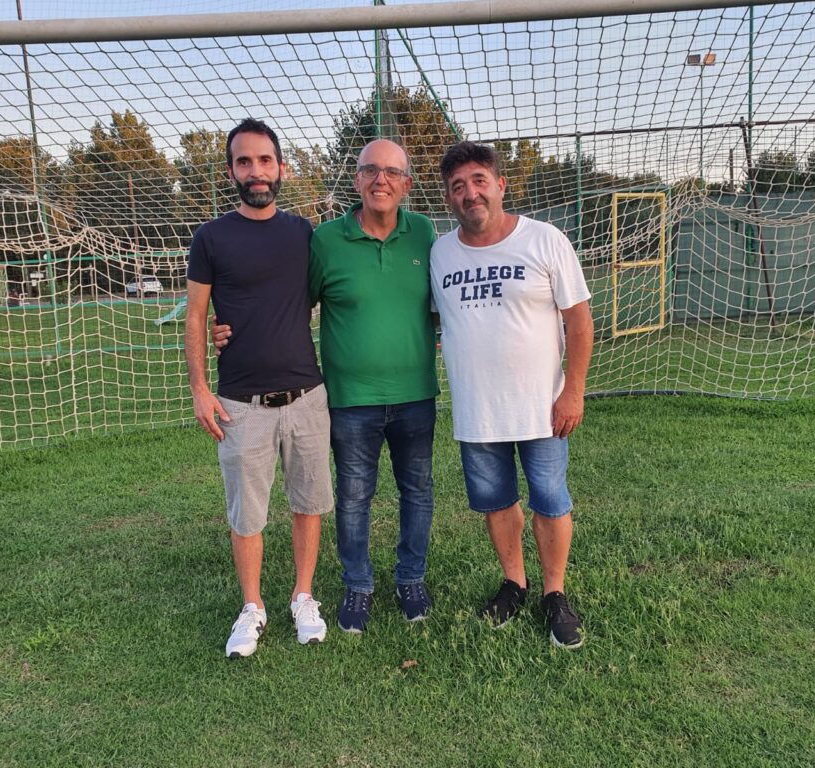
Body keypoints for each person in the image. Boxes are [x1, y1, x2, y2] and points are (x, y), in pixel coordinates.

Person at [214, 139, 438, 634]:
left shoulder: (425, 233)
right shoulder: (326, 240)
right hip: (349, 399)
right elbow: (284, 300)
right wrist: (229, 326)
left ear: (407, 182)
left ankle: (411, 579)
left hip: (416, 395)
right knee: (353, 497)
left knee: (417, 492)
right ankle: (357, 586)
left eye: (392, 172)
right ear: (356, 180)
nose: (381, 180)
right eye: (370, 171)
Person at [430, 141, 595, 649]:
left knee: (550, 500)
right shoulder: (440, 252)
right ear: (449, 198)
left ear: (501, 185)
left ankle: (554, 592)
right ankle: (514, 582)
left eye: (479, 180)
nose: (469, 193)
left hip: (543, 408)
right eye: (458, 187)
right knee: (496, 503)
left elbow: (579, 320)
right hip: (478, 412)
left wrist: (574, 391)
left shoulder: (543, 239)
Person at [185, 118, 334, 659]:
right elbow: (198, 316)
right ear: (231, 171)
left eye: (265, 160)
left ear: (281, 168)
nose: (256, 171)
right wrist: (201, 388)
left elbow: (331, 291)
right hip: (240, 402)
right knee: (247, 512)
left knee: (309, 500)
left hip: (306, 396)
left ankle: (303, 595)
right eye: (244, 162)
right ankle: (252, 606)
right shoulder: (211, 237)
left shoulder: (304, 233)